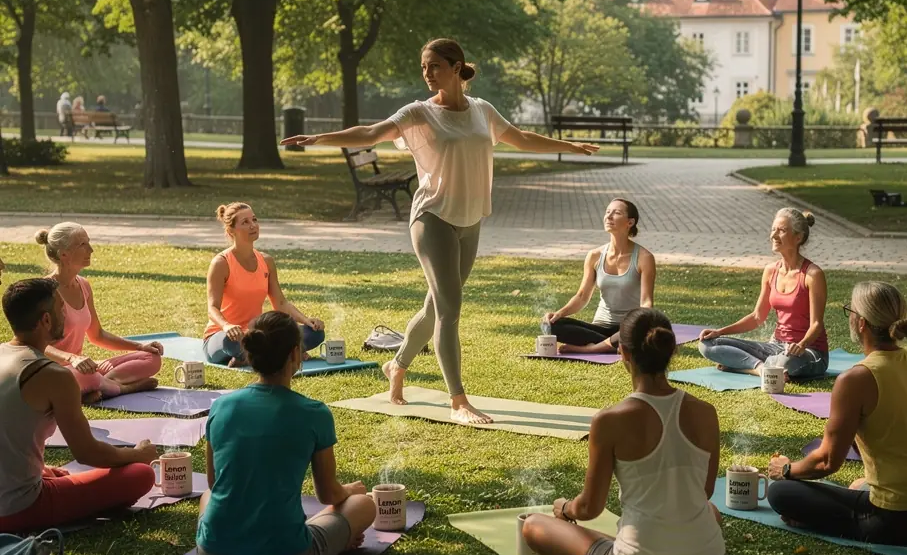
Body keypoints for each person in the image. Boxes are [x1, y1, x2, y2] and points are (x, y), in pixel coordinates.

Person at [281, 37, 599, 424]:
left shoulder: (482, 110)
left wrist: (569, 145)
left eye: (433, 66)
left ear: (455, 67)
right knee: (451, 310)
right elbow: (371, 132)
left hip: (470, 220)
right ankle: (458, 400)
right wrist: (319, 139)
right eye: (423, 67)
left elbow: (522, 139)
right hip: (432, 218)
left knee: (435, 307)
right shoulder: (419, 113)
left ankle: (396, 365)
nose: (426, 74)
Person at [521, 308, 726, 555]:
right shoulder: (707, 413)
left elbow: (590, 508)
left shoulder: (609, 420)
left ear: (623, 354)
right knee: (711, 513)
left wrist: (565, 509)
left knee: (534, 526)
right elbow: (703, 491)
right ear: (670, 352)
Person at [766, 282, 907, 546]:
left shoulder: (856, 379)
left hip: (901, 517)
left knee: (781, 492)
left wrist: (787, 469)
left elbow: (827, 461)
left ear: (860, 322)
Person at [197, 312, 376, 555]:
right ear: (295, 353)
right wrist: (351, 490)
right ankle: (330, 538)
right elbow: (329, 495)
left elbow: (213, 483)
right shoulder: (314, 412)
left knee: (207, 497)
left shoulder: (220, 407)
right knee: (363, 504)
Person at [0, 278, 157, 531]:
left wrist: (39, 468)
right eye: (62, 308)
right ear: (46, 320)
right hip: (18, 508)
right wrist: (138, 454)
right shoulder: (53, 375)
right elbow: (87, 453)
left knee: (57, 474)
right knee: (141, 474)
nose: (67, 314)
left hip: (12, 492)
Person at [37, 223, 163, 401]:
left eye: (88, 242)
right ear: (64, 254)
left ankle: (102, 386)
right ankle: (122, 388)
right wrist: (72, 358)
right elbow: (35, 345)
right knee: (84, 376)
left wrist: (140, 346)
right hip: (54, 372)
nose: (91, 249)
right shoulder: (43, 291)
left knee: (152, 358)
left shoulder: (84, 285)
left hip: (83, 368)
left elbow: (97, 335)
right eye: (83, 245)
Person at [697, 208, 829, 379]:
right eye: (773, 229)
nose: (773, 235)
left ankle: (740, 366)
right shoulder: (770, 271)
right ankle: (759, 369)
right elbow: (757, 317)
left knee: (785, 363)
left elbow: (816, 324)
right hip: (775, 347)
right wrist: (720, 332)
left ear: (798, 237)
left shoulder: (812, 275)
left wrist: (802, 344)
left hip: (809, 352)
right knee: (707, 344)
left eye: (781, 230)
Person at [204, 203, 325, 367]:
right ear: (231, 230)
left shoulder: (266, 261)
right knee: (230, 342)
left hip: (257, 336)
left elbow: (280, 303)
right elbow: (212, 308)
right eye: (245, 222)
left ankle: (251, 356)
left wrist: (306, 320)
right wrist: (227, 326)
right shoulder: (221, 263)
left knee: (314, 334)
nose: (253, 225)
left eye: (254, 219)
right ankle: (286, 353)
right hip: (223, 335)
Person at [542, 199, 656, 353]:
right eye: (607, 212)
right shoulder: (594, 256)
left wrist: (643, 318)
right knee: (552, 326)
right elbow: (582, 296)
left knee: (642, 328)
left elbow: (646, 301)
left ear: (630, 222)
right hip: (599, 327)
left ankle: (590, 349)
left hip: (628, 326)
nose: (609, 216)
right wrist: (559, 314)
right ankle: (611, 346)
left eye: (616, 213)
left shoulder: (644, 258)